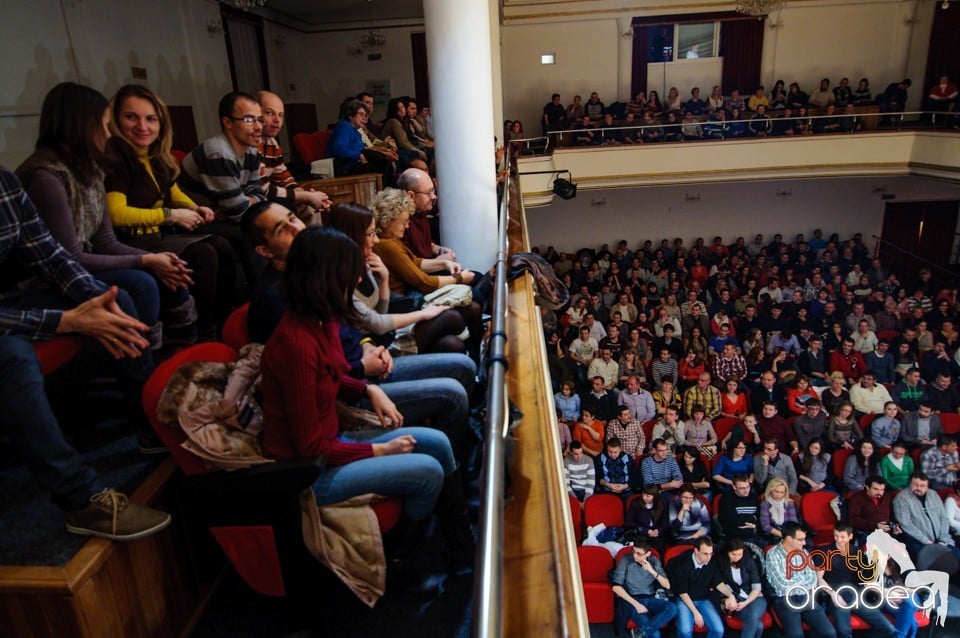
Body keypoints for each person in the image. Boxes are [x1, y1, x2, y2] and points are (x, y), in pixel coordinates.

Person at [259, 226, 470, 594]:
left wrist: (368, 389)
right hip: (305, 475)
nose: (359, 278)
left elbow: (333, 376)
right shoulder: (296, 342)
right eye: (350, 272)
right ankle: (401, 558)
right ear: (326, 277)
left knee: (436, 443)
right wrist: (380, 449)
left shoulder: (319, 319)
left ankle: (458, 538)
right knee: (427, 471)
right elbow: (312, 449)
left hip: (332, 442)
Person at [0, 166, 170, 539]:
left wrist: (97, 298)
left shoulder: (5, 182)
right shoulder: (45, 175)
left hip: (11, 299)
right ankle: (80, 499)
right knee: (12, 357)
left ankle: (152, 425)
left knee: (119, 299)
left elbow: (52, 256)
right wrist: (64, 321)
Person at [242, 202, 476, 465]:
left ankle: (466, 447)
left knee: (460, 358)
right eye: (280, 230)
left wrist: (367, 346)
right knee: (451, 383)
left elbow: (349, 328)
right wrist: (362, 372)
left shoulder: (314, 278)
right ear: (263, 250)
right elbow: (314, 382)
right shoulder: (283, 303)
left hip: (359, 373)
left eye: (292, 218)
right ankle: (460, 467)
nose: (295, 228)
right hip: (342, 397)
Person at [16, 82, 190, 349]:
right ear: (80, 126)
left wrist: (152, 260)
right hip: (44, 279)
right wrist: (144, 259)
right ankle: (140, 368)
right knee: (138, 285)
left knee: (165, 269)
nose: (110, 134)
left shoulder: (90, 168)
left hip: (82, 263)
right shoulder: (45, 176)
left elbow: (106, 241)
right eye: (105, 125)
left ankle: (174, 348)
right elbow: (69, 258)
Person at [104, 83, 235, 342]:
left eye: (150, 119)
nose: (143, 126)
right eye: (131, 117)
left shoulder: (155, 155)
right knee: (204, 253)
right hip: (129, 241)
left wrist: (193, 207)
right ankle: (203, 332)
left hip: (157, 235)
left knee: (223, 246)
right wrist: (169, 216)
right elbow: (116, 214)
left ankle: (224, 321)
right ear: (116, 121)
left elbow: (173, 192)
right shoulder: (115, 159)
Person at [370, 188, 483, 361]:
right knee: (466, 310)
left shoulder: (391, 240)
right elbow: (423, 282)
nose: (407, 225)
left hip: (407, 301)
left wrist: (444, 262)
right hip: (405, 306)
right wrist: (459, 278)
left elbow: (414, 262)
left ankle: (475, 359)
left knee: (458, 333)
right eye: (404, 221)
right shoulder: (387, 245)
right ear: (387, 221)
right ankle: (476, 358)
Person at [177, 91, 269, 286]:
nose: (258, 127)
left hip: (221, 214)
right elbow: (239, 212)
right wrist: (243, 203)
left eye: (260, 120)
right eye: (249, 119)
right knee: (254, 232)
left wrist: (244, 202)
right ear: (227, 123)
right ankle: (262, 296)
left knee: (268, 218)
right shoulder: (218, 152)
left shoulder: (251, 149)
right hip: (193, 220)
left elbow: (258, 195)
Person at [256, 91, 332, 217]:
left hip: (267, 199)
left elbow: (286, 181)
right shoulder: (250, 144)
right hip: (253, 205)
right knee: (304, 202)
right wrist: (306, 196)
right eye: (270, 113)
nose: (277, 120)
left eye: (281, 115)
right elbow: (263, 190)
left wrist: (308, 195)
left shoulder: (272, 143)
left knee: (310, 206)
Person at [822, 523, 899, 638]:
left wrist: (885, 591)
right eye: (836, 536)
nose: (839, 540)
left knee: (888, 629)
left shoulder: (858, 552)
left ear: (850, 536)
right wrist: (833, 594)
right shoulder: (825, 552)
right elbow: (819, 580)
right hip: (836, 595)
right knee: (844, 632)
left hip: (856, 595)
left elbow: (867, 579)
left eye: (842, 537)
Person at [765, 522, 838, 638]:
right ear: (789, 538)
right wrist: (802, 582)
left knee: (830, 633)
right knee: (796, 635)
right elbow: (781, 585)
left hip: (806, 597)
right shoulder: (773, 555)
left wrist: (795, 582)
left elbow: (813, 579)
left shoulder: (804, 552)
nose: (804, 543)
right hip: (785, 600)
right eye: (800, 539)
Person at [610, 540, 678, 638]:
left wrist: (652, 571)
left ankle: (641, 632)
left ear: (648, 554)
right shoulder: (626, 560)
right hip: (633, 599)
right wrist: (637, 605)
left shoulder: (654, 561)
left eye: (639, 554)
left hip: (650, 598)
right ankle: (644, 632)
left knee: (672, 608)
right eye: (633, 551)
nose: (635, 556)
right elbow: (615, 587)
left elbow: (667, 585)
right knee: (655, 635)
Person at [892, 471, 958, 559]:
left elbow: (943, 518)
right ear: (910, 483)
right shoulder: (901, 498)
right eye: (915, 484)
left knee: (957, 557)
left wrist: (943, 539)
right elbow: (906, 524)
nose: (918, 488)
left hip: (942, 540)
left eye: (922, 485)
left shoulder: (933, 494)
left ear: (927, 486)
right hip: (918, 541)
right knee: (935, 565)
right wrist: (927, 541)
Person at [668, 537, 725, 638]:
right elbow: (682, 592)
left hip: (703, 599)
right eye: (705, 554)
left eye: (710, 553)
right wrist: (695, 613)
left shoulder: (711, 562)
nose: (709, 557)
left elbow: (718, 582)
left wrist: (730, 595)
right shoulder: (683, 564)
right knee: (685, 631)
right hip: (684, 600)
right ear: (696, 551)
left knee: (718, 630)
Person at [714, 537, 768, 638]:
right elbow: (718, 583)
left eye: (740, 554)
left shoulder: (748, 561)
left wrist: (745, 603)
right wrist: (730, 596)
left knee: (753, 617)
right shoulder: (720, 562)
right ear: (727, 552)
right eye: (733, 554)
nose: (737, 557)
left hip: (755, 597)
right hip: (737, 598)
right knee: (759, 626)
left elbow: (757, 587)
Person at [847, 475, 901, 541]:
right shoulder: (857, 499)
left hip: (887, 532)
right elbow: (853, 520)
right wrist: (876, 525)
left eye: (882, 490)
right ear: (867, 487)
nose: (879, 493)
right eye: (876, 489)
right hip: (867, 533)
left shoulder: (886, 497)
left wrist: (895, 526)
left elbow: (892, 515)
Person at [624, 486, 670, 555]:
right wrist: (646, 531)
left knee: (659, 547)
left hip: (656, 533)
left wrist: (658, 530)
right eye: (643, 494)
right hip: (640, 532)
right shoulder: (635, 504)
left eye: (648, 496)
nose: (644, 497)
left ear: (654, 496)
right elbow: (629, 523)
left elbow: (665, 522)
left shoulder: (662, 504)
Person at [759, 477, 800, 542]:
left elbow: (793, 523)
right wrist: (782, 535)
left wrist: (788, 536)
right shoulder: (765, 504)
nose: (779, 495)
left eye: (782, 492)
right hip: (771, 535)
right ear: (770, 490)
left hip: (787, 532)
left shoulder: (789, 503)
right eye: (776, 492)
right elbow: (765, 526)